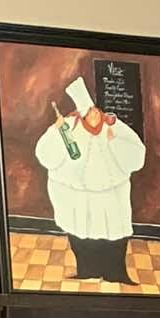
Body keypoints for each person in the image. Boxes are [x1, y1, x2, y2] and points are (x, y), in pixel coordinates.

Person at [32, 77, 147, 284]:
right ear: (80, 115)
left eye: (96, 111)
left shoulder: (115, 127)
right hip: (76, 196)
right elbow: (45, 155)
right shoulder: (67, 126)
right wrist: (58, 131)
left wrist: (115, 141)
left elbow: (137, 158)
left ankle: (116, 274)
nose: (94, 115)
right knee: (80, 234)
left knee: (114, 235)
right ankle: (87, 271)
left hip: (111, 195)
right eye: (89, 112)